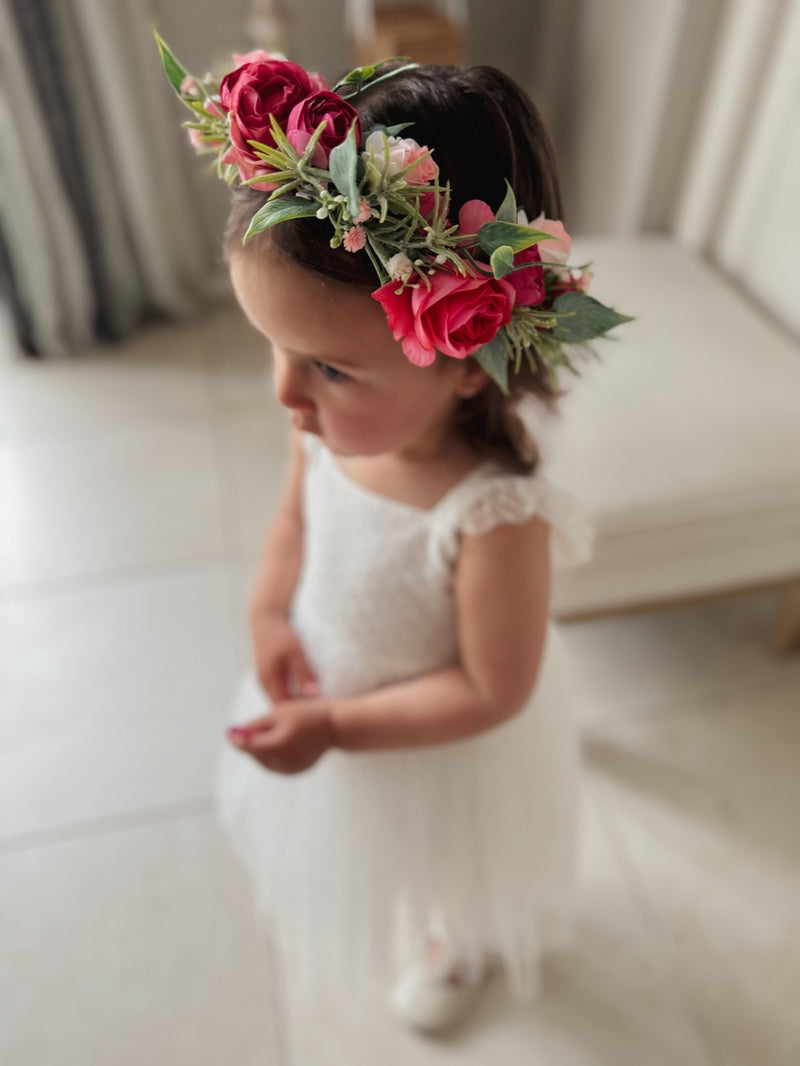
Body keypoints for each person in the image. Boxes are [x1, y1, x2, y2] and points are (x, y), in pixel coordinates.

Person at [157, 38, 628, 1034]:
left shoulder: (493, 510)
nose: (285, 395)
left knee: (446, 862)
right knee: (365, 849)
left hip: (436, 746)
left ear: (463, 356)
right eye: (273, 350)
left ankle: (459, 943)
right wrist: (265, 609)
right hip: (329, 677)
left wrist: (335, 728)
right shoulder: (319, 430)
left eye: (326, 368)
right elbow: (294, 517)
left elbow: (490, 687)